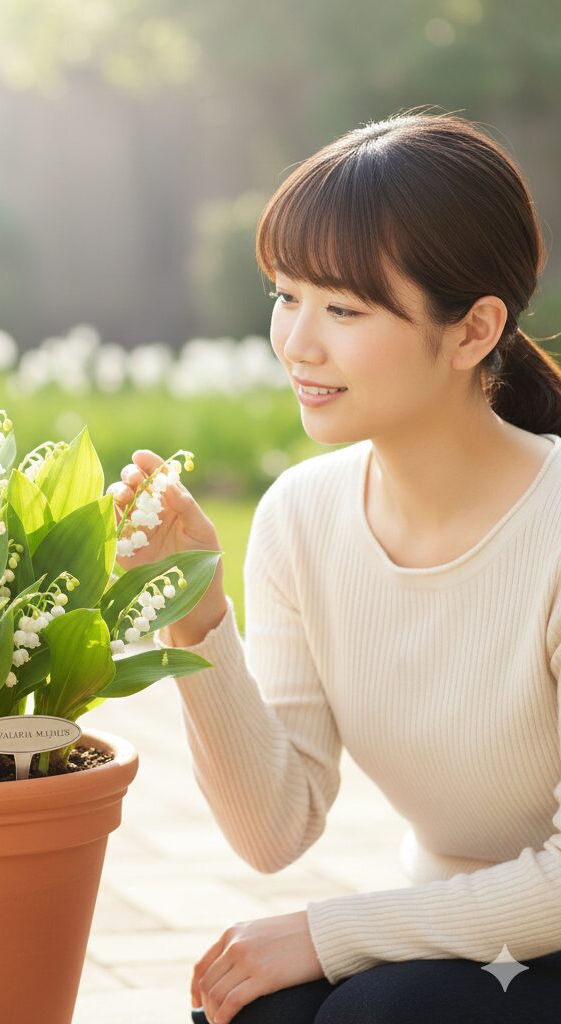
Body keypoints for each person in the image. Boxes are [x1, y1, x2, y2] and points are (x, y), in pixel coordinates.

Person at [108, 108, 561, 1024]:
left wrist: (327, 933)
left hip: (525, 940)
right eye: (286, 295)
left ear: (474, 330)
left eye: (344, 309)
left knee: (381, 1014)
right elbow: (275, 829)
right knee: (249, 1009)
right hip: (464, 942)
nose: (298, 343)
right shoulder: (303, 515)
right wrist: (196, 618)